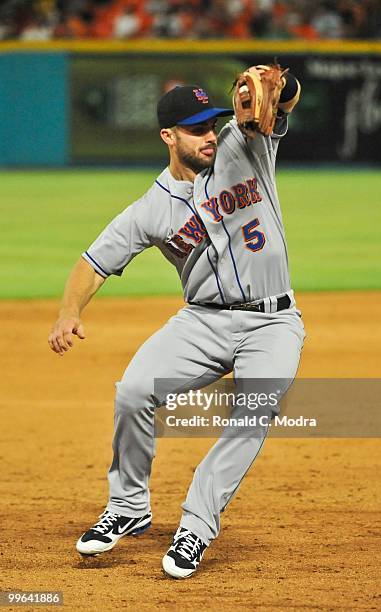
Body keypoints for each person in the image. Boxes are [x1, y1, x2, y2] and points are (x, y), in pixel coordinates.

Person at [48, 69, 305, 579]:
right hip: (202, 323)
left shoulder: (246, 145)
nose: (210, 134)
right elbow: (93, 262)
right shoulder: (151, 209)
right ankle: (128, 507)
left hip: (273, 322)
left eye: (212, 123)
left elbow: (287, 99)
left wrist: (280, 85)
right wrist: (69, 311)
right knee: (133, 391)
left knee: (252, 414)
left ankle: (196, 526)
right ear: (169, 137)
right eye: (195, 128)